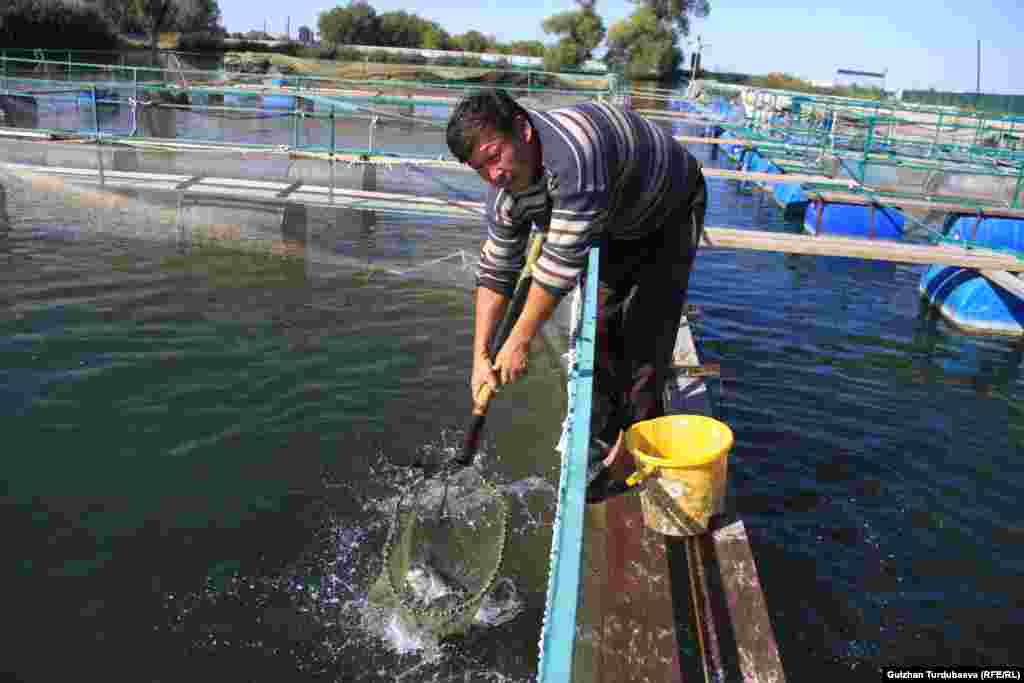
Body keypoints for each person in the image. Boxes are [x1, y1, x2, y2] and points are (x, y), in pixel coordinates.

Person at [445, 88, 706, 503]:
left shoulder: (574, 157)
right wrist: (479, 357)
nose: (492, 174)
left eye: (494, 156)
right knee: (602, 328)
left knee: (645, 337)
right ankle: (601, 445)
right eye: (480, 168)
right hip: (613, 219)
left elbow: (559, 265)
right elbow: (496, 273)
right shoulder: (504, 195)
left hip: (668, 209)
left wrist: (518, 342)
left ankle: (636, 458)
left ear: (523, 130)